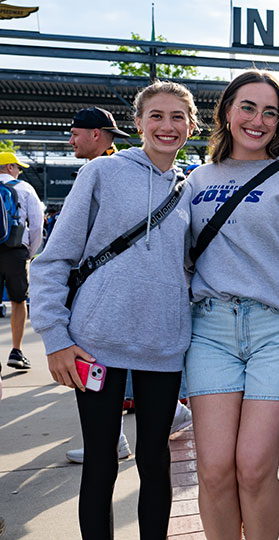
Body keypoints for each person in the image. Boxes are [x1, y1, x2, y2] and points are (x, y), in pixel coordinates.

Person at [30, 80, 198, 539]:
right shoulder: (101, 174)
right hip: (95, 345)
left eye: (178, 117)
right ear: (138, 123)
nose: (167, 126)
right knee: (101, 461)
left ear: (191, 125)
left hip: (162, 348)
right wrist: (56, 338)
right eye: (157, 116)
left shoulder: (192, 189)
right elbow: (53, 260)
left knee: (155, 460)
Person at [184, 70, 279, 540]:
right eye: (248, 107)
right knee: (213, 469)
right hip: (209, 332)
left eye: (270, 112)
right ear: (227, 112)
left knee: (253, 467)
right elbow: (178, 267)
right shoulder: (194, 181)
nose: (258, 119)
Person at [0, 151, 44, 371]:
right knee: (19, 301)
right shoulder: (24, 188)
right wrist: (29, 252)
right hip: (15, 251)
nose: (19, 171)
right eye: (17, 167)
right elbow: (36, 225)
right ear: (9, 167)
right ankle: (16, 352)